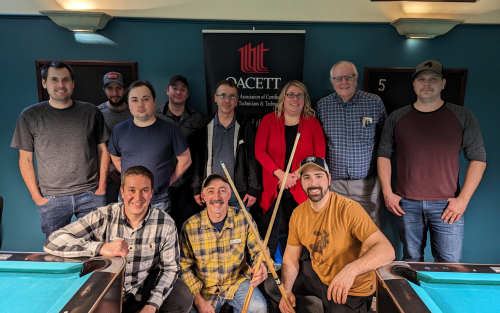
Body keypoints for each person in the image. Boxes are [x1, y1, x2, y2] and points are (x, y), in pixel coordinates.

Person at [377, 60, 486, 263]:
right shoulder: (397, 117)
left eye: (433, 79)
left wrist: (463, 200)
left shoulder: (462, 116)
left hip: (447, 206)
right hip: (406, 204)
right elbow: (384, 153)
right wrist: (387, 193)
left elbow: (478, 158)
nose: (426, 84)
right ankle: (415, 297)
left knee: (450, 264)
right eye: (421, 79)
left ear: (443, 83)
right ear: (414, 84)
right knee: (411, 260)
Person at [43, 166, 193, 313]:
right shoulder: (103, 215)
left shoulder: (165, 223)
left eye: (144, 191)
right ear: (122, 192)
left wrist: (152, 305)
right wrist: (100, 248)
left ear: (151, 193)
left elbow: (170, 268)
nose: (138, 197)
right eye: (132, 190)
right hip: (105, 288)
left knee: (182, 297)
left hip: (140, 289)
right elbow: (53, 241)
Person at [265, 157, 395, 313]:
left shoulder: (349, 209)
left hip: (351, 286)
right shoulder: (298, 214)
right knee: (273, 286)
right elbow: (291, 257)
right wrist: (286, 289)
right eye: (307, 177)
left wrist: (351, 270)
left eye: (319, 176)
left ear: (329, 179)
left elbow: (387, 250)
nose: (313, 183)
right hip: (320, 275)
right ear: (301, 182)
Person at [11, 60, 109, 238]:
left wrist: (101, 188)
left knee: (96, 250)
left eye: (65, 80)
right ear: (44, 83)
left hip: (90, 194)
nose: (60, 85)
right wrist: (37, 197)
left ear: (72, 83)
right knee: (56, 252)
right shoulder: (30, 115)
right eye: (54, 79)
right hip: (52, 198)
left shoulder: (91, 112)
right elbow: (24, 160)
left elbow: (103, 151)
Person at [179, 173, 270, 313]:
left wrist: (262, 265)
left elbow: (260, 251)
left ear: (229, 194)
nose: (217, 197)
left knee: (259, 308)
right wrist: (198, 301)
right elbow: (184, 268)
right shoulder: (189, 227)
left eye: (222, 191)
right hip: (204, 288)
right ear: (203, 196)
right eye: (211, 191)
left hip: (236, 282)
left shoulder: (243, 218)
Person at [255, 80, 325, 259]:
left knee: (303, 233)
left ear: (305, 99)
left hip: (302, 185)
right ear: (283, 98)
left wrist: (296, 175)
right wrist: (281, 175)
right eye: (291, 95)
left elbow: (319, 155)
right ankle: (268, 271)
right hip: (275, 184)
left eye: (300, 95)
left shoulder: (312, 123)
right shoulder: (269, 120)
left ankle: (303, 273)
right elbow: (260, 152)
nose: (295, 99)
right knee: (271, 232)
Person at [317, 61, 387, 227]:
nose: (344, 82)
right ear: (332, 82)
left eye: (348, 77)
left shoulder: (374, 102)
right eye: (338, 78)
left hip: (366, 185)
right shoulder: (323, 105)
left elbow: (385, 141)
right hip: (333, 185)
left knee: (370, 233)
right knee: (335, 231)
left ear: (356, 79)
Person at [108, 80, 192, 213]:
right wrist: (128, 177)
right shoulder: (119, 129)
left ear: (154, 101)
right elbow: (115, 157)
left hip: (158, 202)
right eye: (134, 100)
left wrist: (167, 182)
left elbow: (186, 160)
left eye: (145, 99)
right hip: (127, 200)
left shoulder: (171, 130)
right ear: (129, 103)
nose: (140, 104)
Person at [192, 80, 261, 210]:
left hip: (238, 193)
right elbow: (197, 159)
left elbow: (253, 158)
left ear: (237, 100)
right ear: (215, 98)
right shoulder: (204, 125)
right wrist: (197, 187)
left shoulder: (245, 125)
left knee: (241, 229)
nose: (227, 100)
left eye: (232, 96)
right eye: (223, 95)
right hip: (210, 192)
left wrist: (253, 188)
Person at [155, 75, 204, 230]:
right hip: (161, 183)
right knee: (161, 227)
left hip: (187, 185)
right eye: (175, 88)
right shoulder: (155, 116)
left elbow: (200, 154)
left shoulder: (196, 118)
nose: (178, 92)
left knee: (185, 228)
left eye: (183, 89)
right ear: (167, 90)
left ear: (187, 94)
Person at [97, 71, 133, 204]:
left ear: (125, 90)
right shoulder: (98, 113)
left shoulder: (133, 112)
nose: (115, 93)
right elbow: (92, 145)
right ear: (104, 90)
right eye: (110, 88)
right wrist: (109, 165)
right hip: (108, 175)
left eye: (118, 88)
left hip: (132, 171)